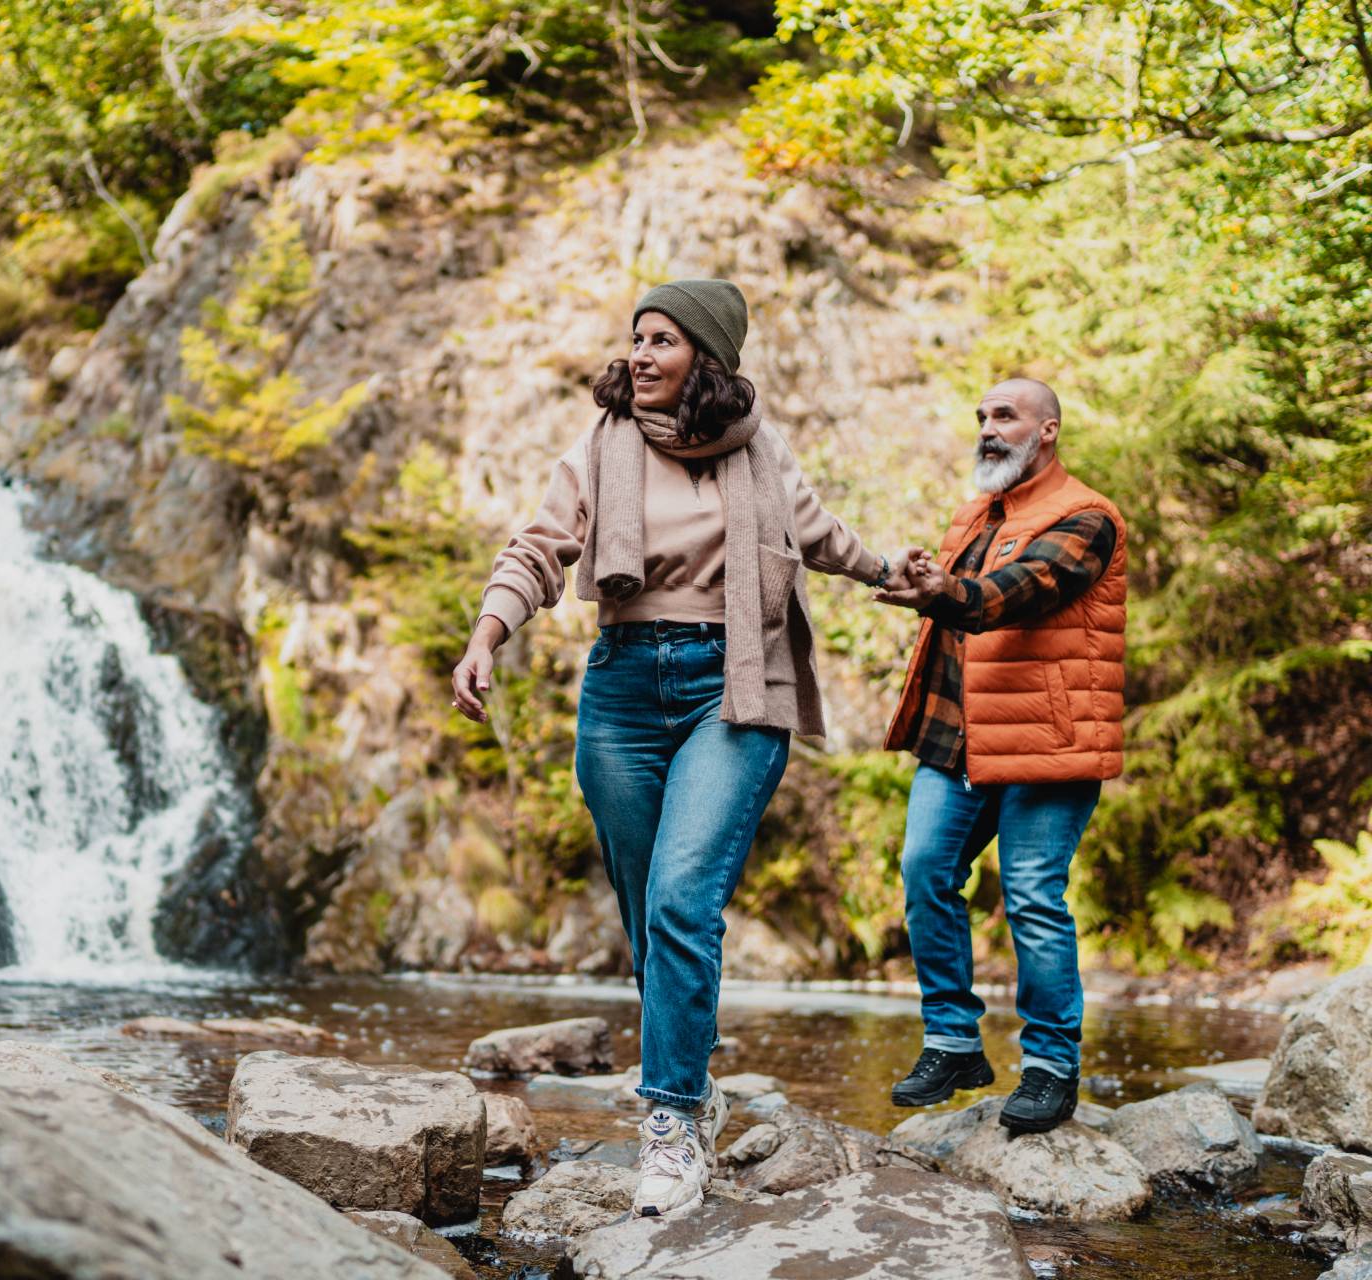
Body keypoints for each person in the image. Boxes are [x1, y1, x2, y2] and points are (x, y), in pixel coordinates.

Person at [451, 279, 913, 1218]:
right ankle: (691, 1078)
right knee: (644, 910)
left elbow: (815, 533)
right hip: (622, 687)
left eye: (663, 340)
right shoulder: (602, 445)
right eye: (637, 338)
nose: (643, 354)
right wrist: (486, 636)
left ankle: (667, 1122)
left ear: (707, 355)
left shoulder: (759, 450)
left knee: (681, 898)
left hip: (736, 685)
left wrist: (884, 570)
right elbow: (539, 548)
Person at [873, 378, 1126, 1133]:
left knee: (1032, 899)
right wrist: (920, 582)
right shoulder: (975, 514)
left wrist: (946, 588)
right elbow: (954, 604)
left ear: (1046, 430)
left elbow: (1020, 592)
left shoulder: (1086, 516)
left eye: (1005, 416)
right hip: (958, 738)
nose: (988, 428)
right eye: (982, 416)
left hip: (1050, 741)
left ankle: (1051, 1065)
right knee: (924, 870)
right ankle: (953, 1042)